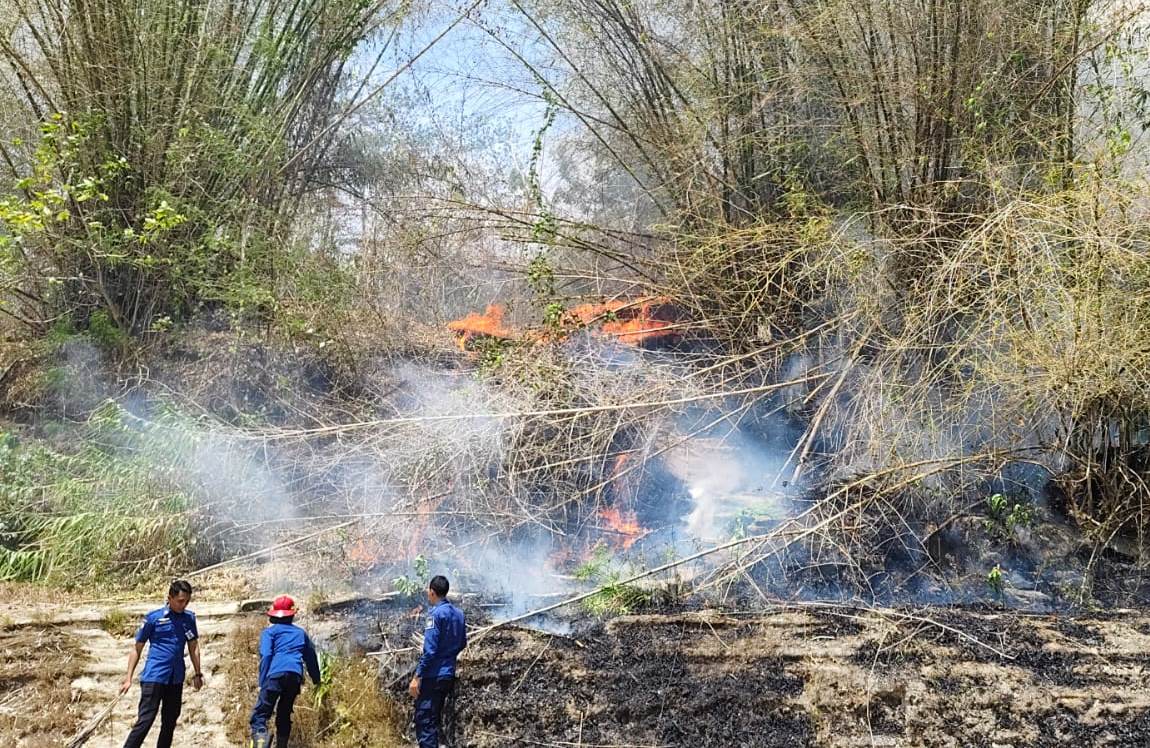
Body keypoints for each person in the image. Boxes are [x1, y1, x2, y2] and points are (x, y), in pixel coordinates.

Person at [120, 579, 203, 748]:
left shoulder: (189, 618)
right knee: (146, 720)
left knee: (170, 721)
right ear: (170, 598)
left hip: (176, 677)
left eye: (187, 601)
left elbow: (193, 646)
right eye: (180, 601)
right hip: (154, 676)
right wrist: (128, 678)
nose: (183, 605)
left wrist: (198, 673)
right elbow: (137, 648)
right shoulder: (154, 618)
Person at [249, 595, 322, 748]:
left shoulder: (269, 633)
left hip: (275, 674)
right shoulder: (300, 633)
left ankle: (261, 745)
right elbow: (311, 658)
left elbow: (267, 655)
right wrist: (317, 680)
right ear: (292, 615)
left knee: (260, 716)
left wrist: (262, 682)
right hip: (295, 676)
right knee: (283, 714)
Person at [408, 575, 467, 748]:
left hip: (433, 676)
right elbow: (462, 643)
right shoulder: (459, 614)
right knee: (435, 719)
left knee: (425, 720)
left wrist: (417, 677)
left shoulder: (434, 615)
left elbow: (430, 651)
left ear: (432, 592)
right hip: (448, 674)